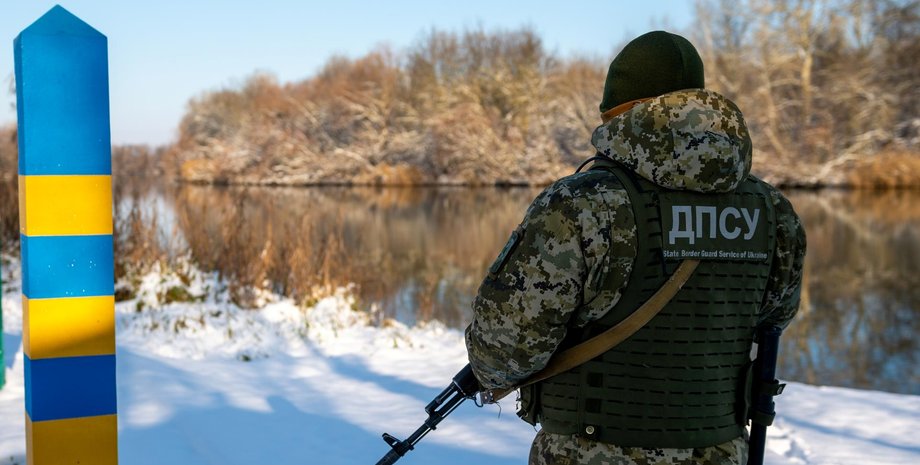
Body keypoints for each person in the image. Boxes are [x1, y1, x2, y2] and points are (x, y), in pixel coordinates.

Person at [464, 31, 806, 465]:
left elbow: (503, 349)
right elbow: (773, 319)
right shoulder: (774, 212)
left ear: (618, 113)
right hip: (722, 450)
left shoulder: (584, 204)